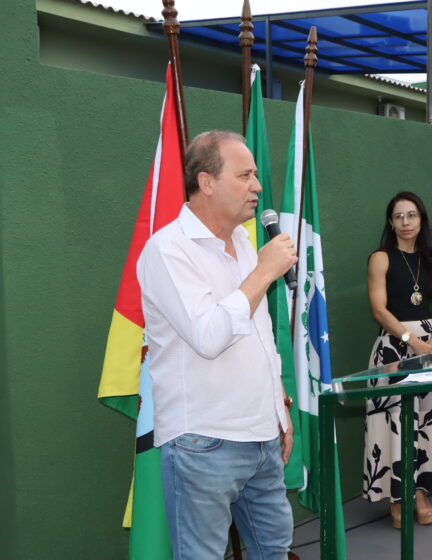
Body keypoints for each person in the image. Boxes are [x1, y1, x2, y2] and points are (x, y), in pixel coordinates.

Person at [137, 131, 297, 559]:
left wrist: (278, 408)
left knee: (274, 551)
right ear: (206, 182)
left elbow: (259, 335)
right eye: (245, 175)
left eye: (256, 176)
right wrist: (263, 273)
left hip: (262, 436)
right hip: (204, 443)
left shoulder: (245, 244)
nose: (258, 187)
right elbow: (208, 336)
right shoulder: (168, 251)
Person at [362, 192, 432, 528]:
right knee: (396, 424)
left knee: (428, 422)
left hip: (430, 350)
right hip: (394, 348)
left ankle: (420, 492)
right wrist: (412, 341)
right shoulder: (381, 258)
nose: (405, 222)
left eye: (411, 215)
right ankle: (396, 496)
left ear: (421, 219)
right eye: (398, 216)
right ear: (390, 221)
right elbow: (379, 309)